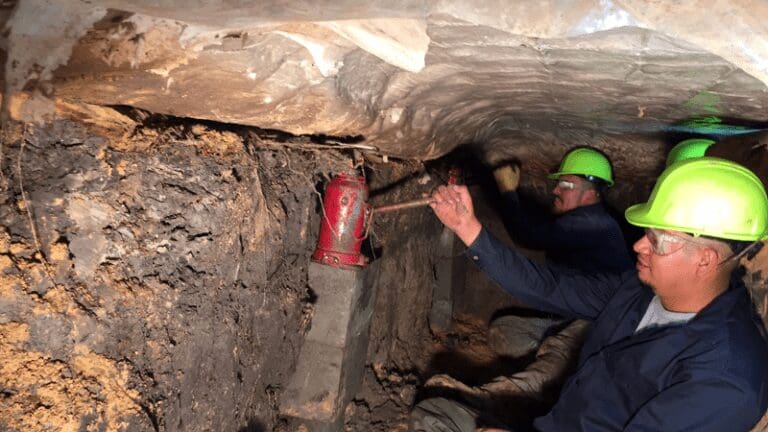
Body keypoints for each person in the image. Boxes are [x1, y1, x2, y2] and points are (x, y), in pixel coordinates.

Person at [412, 157, 768, 431]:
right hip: (561, 418)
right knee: (436, 413)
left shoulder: (726, 378)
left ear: (705, 260)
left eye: (657, 240)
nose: (639, 244)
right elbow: (548, 287)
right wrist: (466, 226)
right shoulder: (637, 289)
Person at [488, 147, 632, 358]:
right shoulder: (590, 220)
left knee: (558, 348)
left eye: (566, 185)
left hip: (601, 320)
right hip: (577, 316)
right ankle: (564, 352)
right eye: (558, 184)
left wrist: (508, 191)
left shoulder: (593, 222)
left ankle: (564, 358)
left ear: (590, 193)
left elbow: (527, 236)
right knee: (503, 330)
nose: (555, 190)